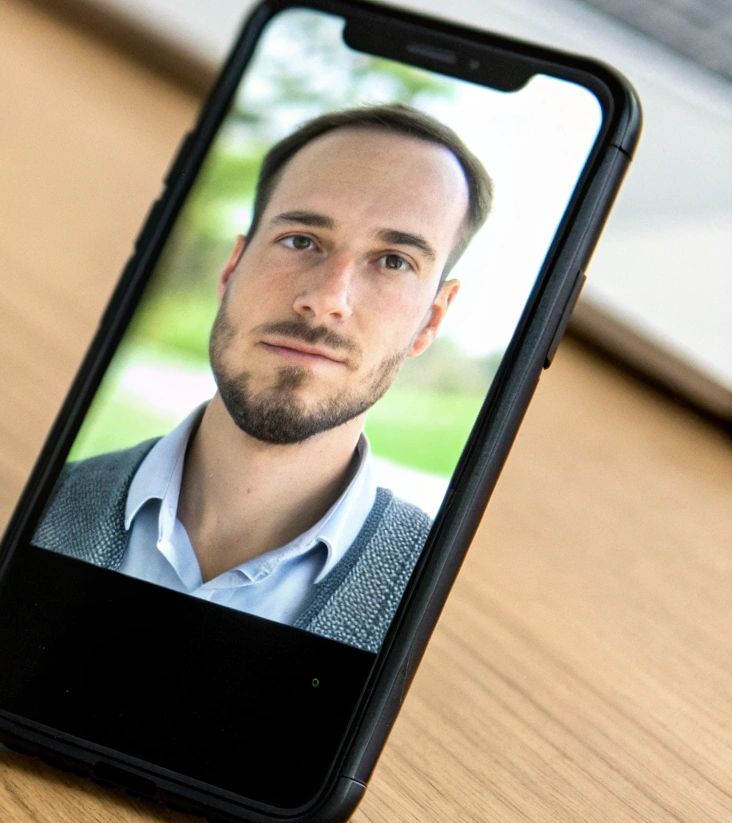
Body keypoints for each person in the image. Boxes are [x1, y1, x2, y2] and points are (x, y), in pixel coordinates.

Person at [34, 104, 493, 652]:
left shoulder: (436, 610)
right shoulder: (49, 502)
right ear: (232, 267)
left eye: (393, 261)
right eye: (301, 240)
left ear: (432, 320)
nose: (326, 301)